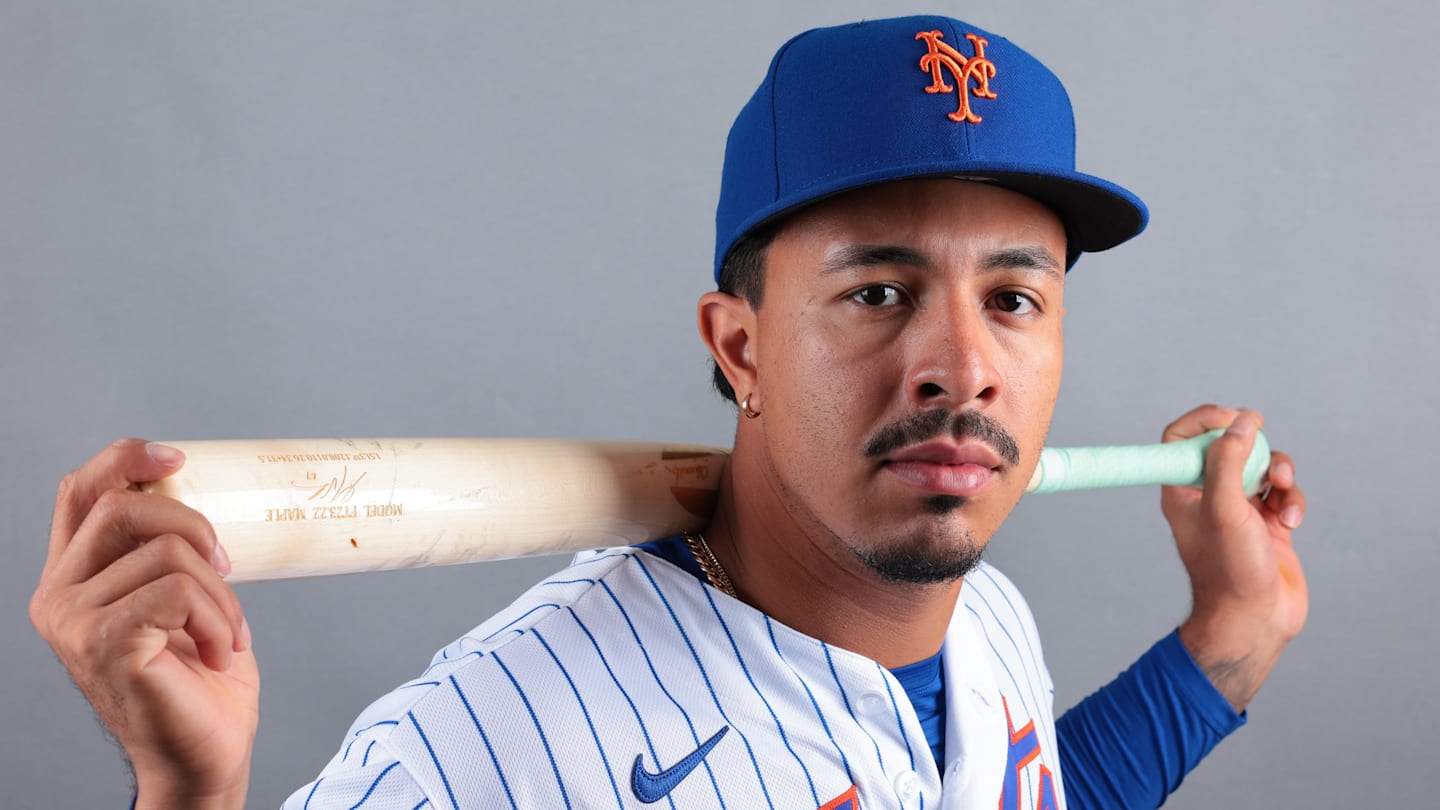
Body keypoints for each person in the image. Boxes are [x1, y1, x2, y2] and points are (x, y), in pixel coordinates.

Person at [30, 14, 1308, 809]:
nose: (962, 368)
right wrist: (191, 794)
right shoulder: (490, 750)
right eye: (878, 291)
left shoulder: (987, 619)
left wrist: (1234, 630)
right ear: (739, 347)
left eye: (1014, 300)